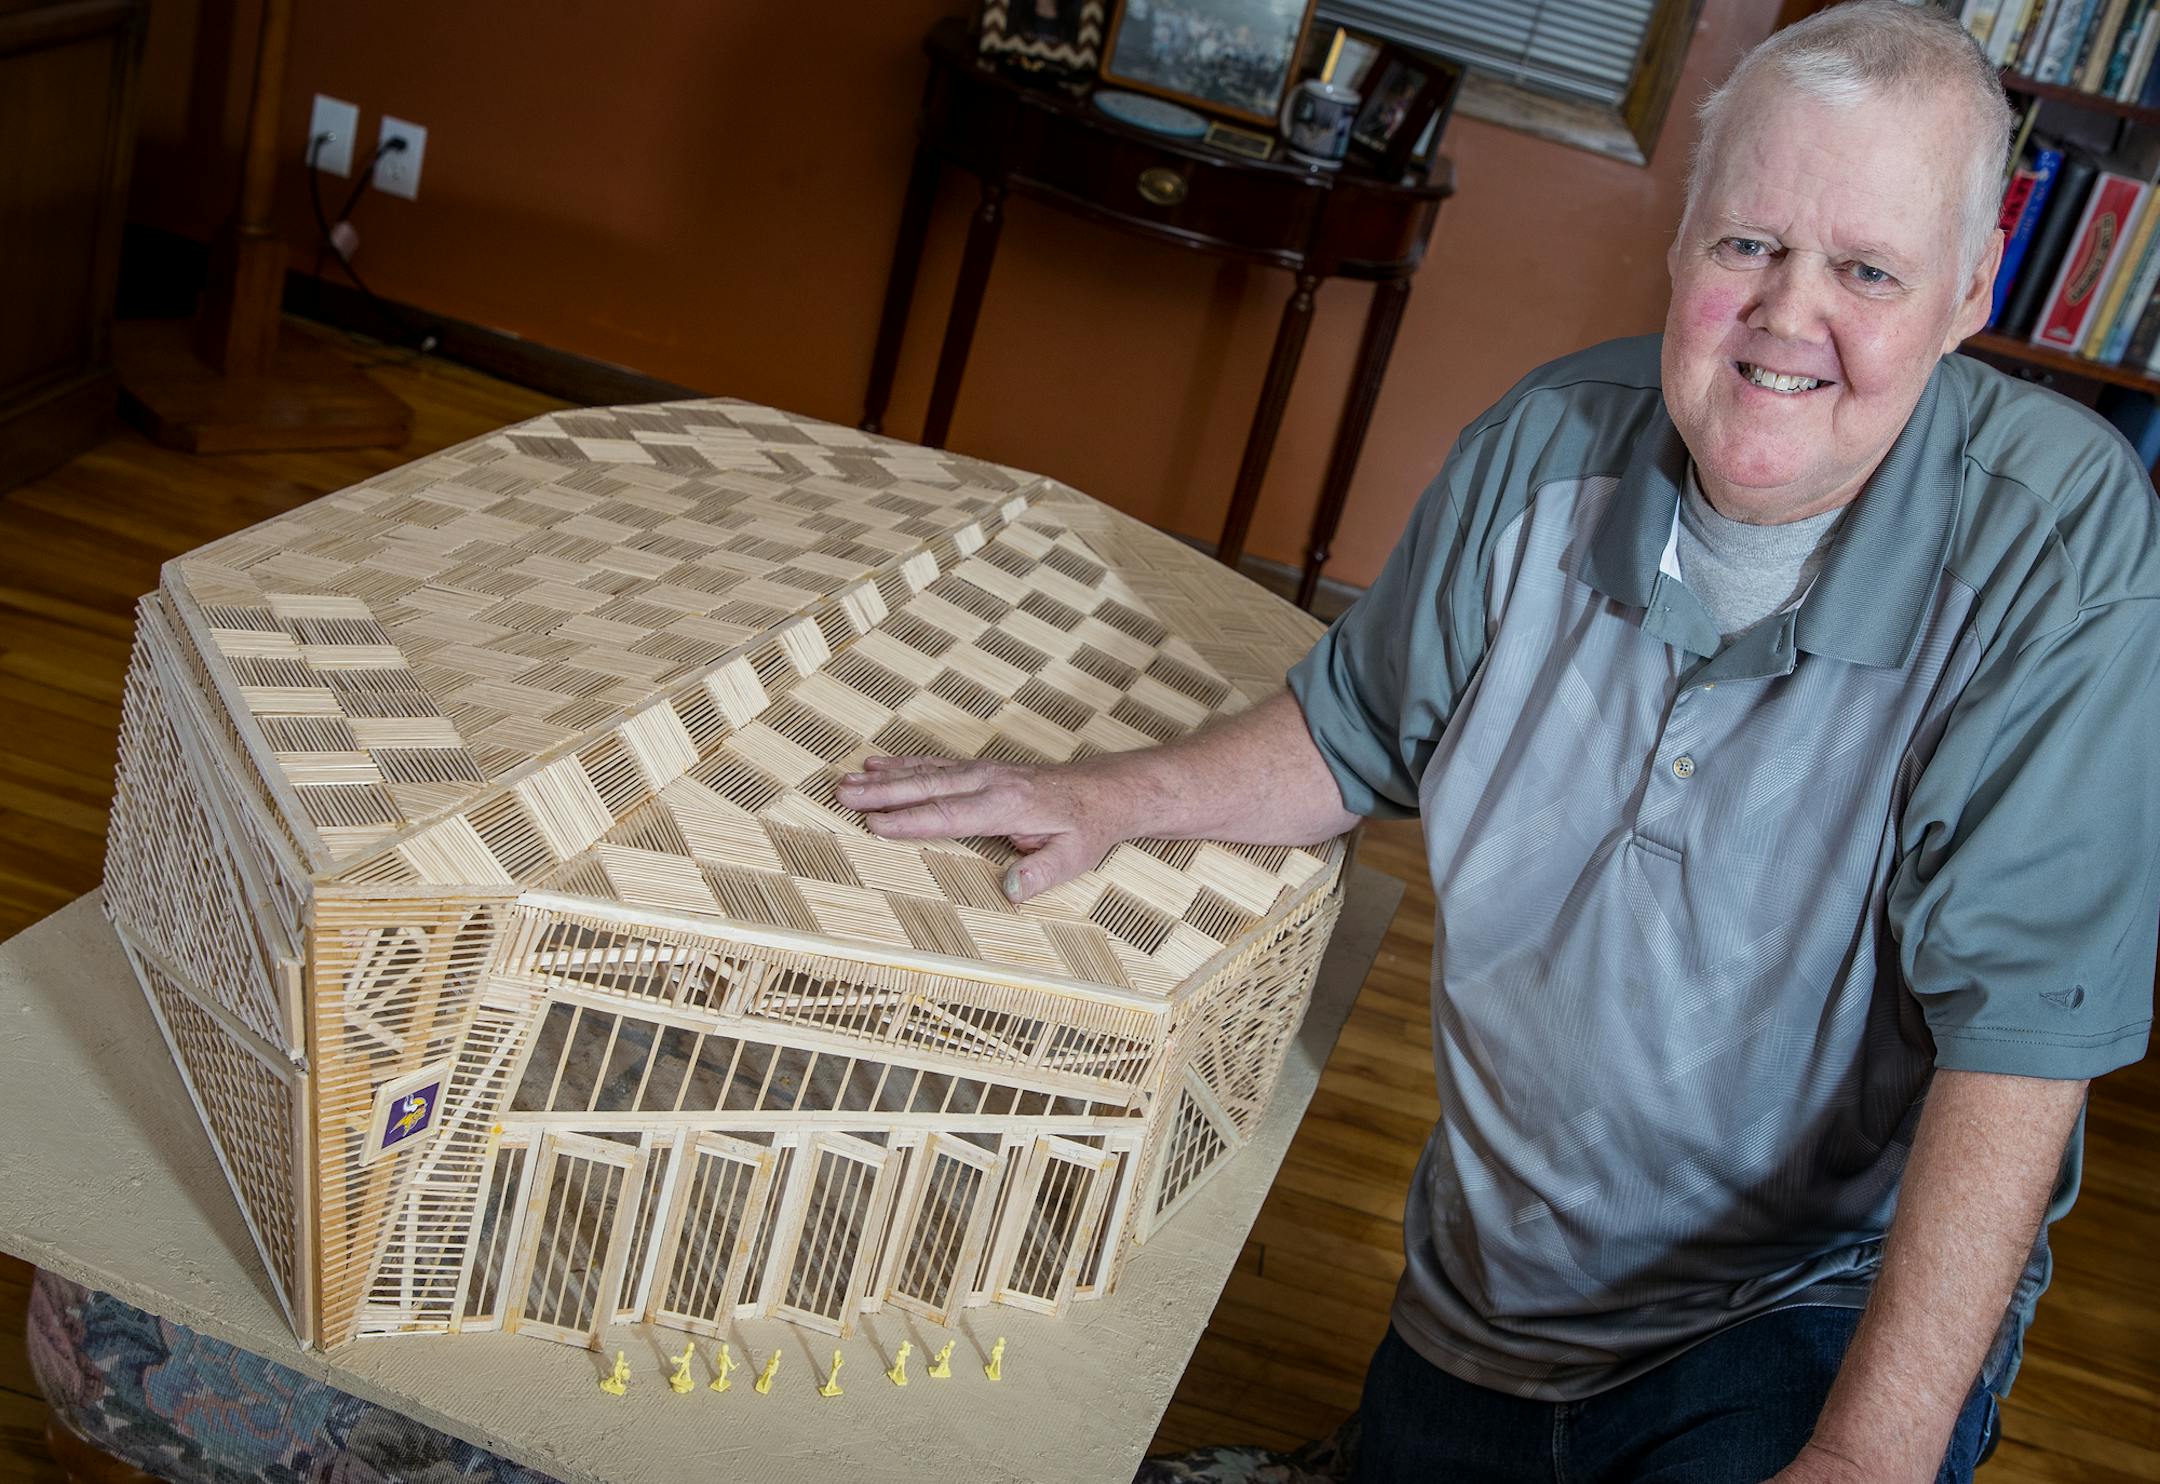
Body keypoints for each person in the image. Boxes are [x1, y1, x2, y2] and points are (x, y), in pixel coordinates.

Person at [836, 2, 2160, 1479]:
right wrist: (1106, 793)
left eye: (1865, 269)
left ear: (1971, 287)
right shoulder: (1541, 448)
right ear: (1682, 243)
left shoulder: (2063, 544)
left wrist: (1871, 1453)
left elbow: (2025, 1034)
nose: (1790, 314)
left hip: (1808, 1301)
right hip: (1495, 1285)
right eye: (1747, 246)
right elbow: (1349, 738)